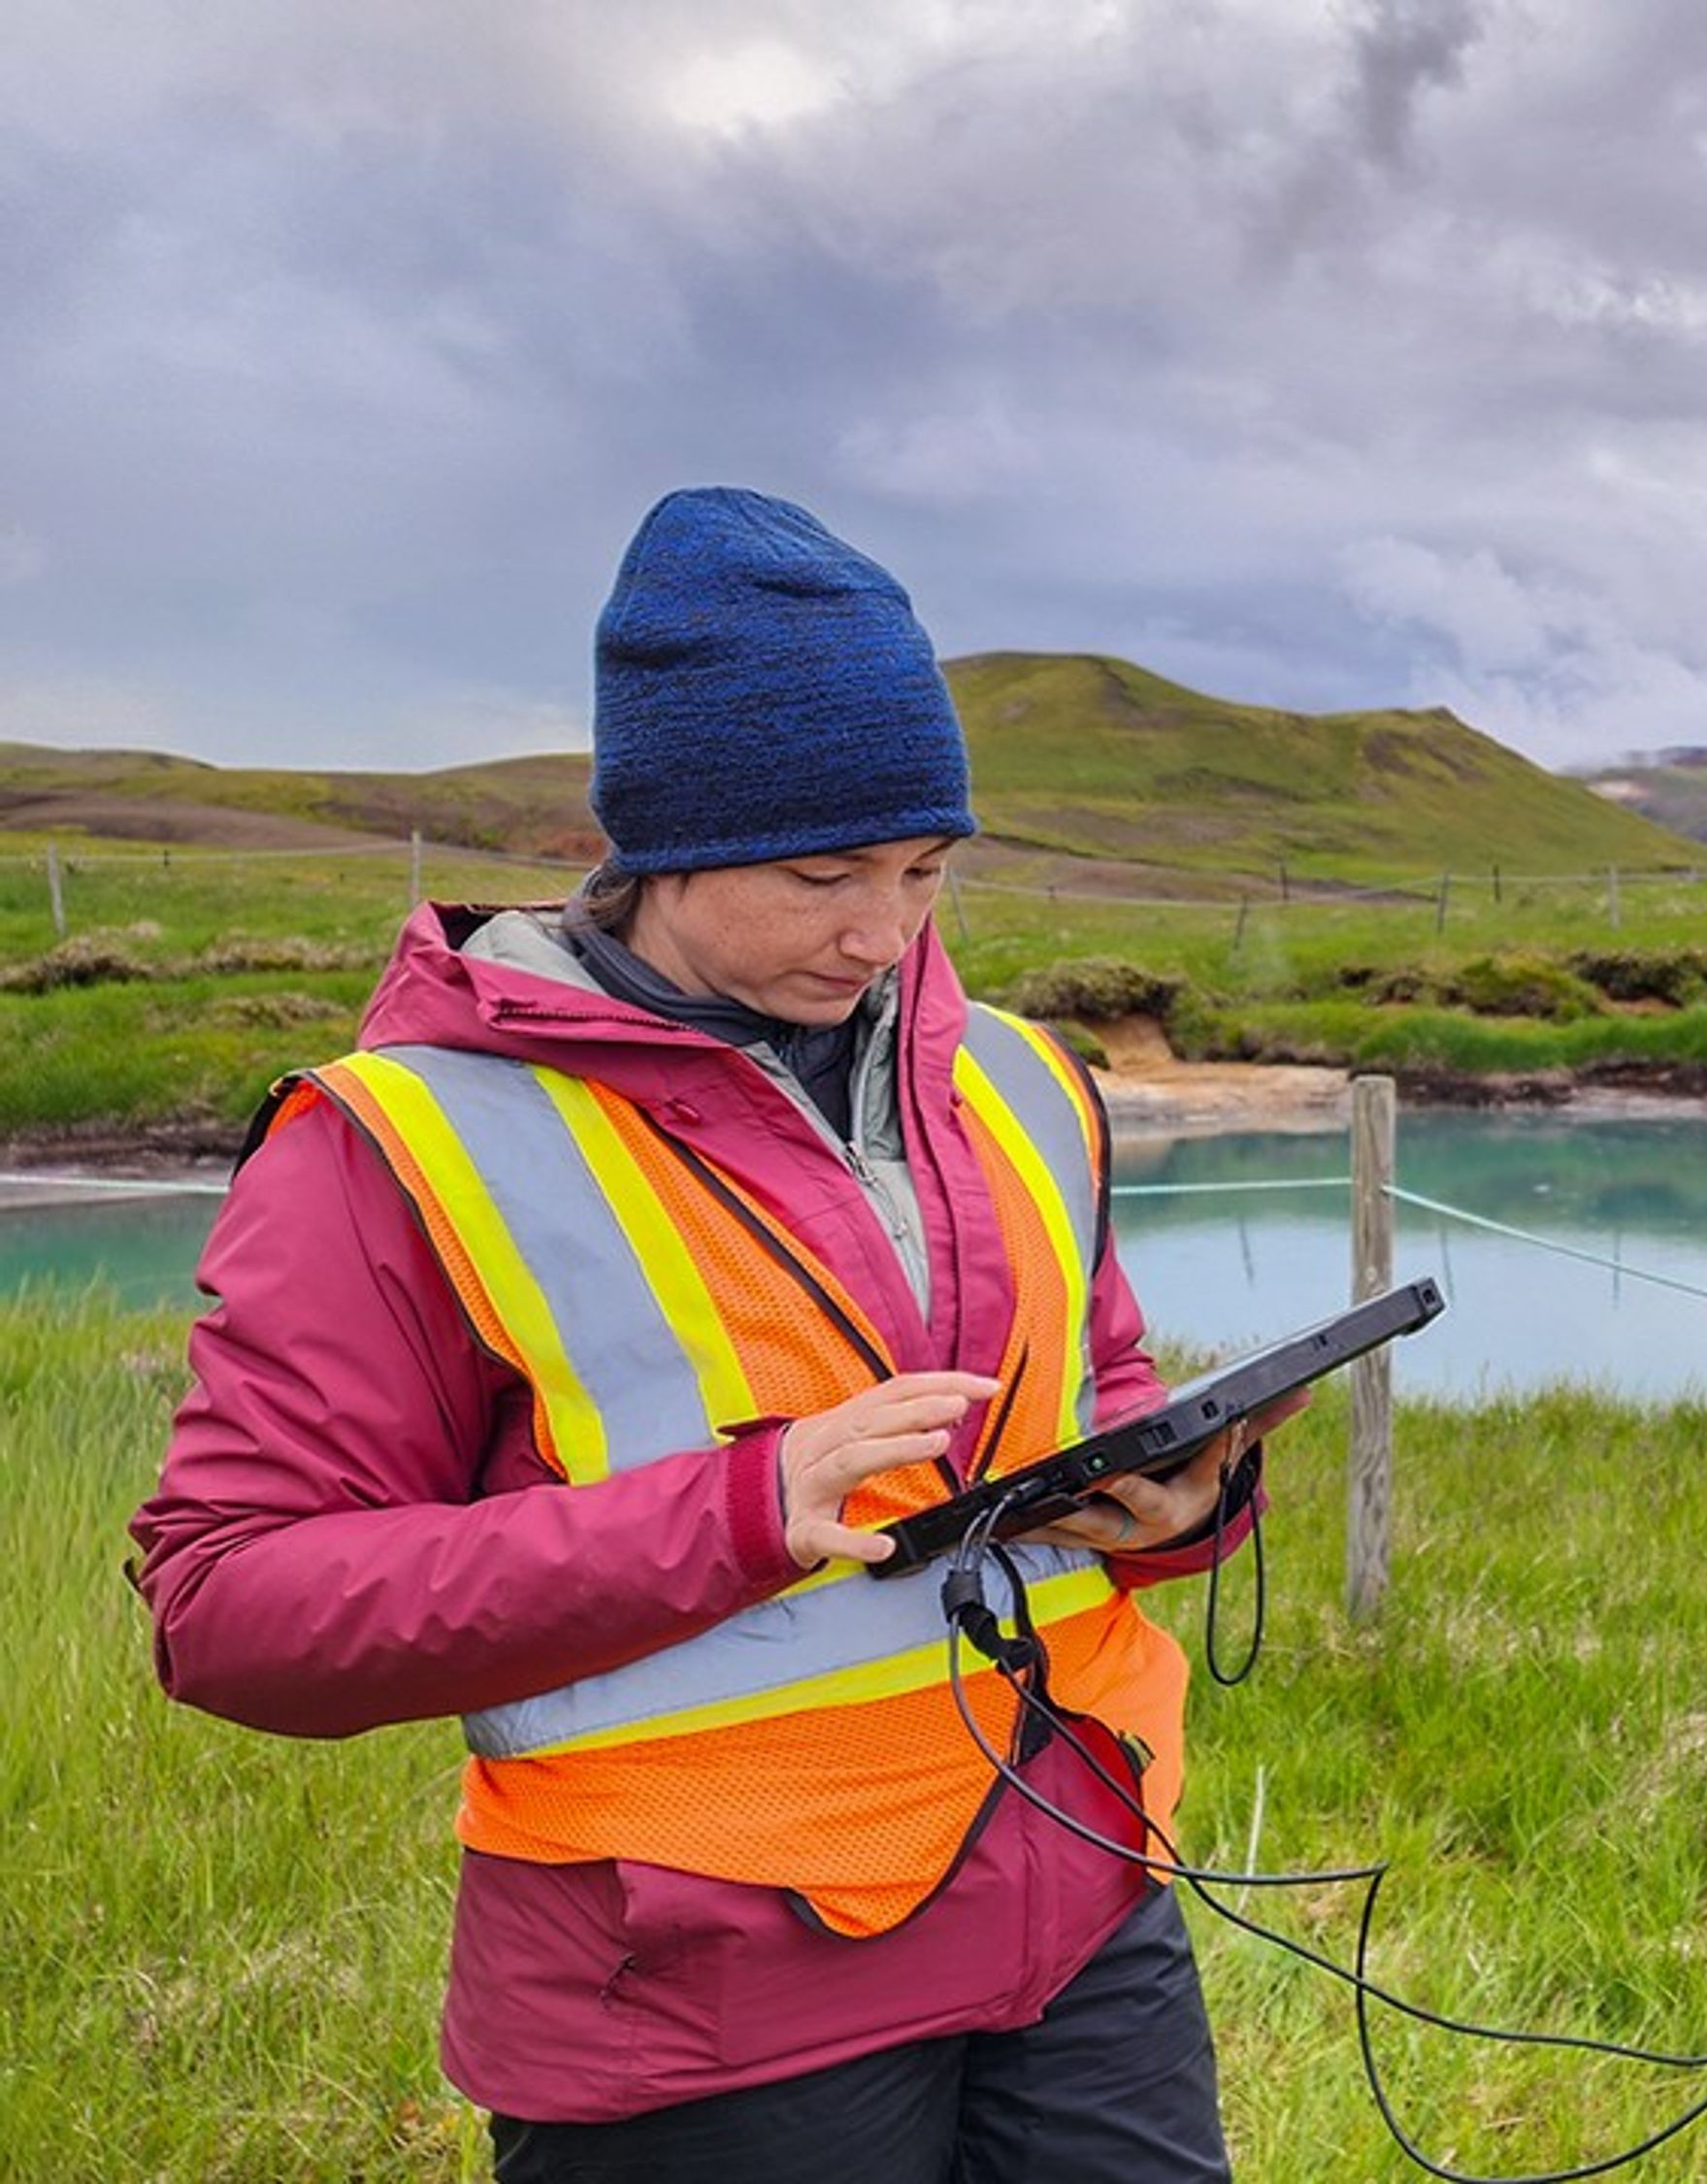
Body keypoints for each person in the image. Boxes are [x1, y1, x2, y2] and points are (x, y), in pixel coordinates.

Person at [129, 487, 1279, 2180]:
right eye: (827, 875)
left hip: (1080, 1889)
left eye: (926, 870)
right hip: (700, 1986)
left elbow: (1093, 1395)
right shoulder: (399, 1143)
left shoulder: (1026, 1080)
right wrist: (735, 1514)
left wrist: (1179, 1502)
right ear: (667, 841)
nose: (886, 933)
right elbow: (229, 1607)